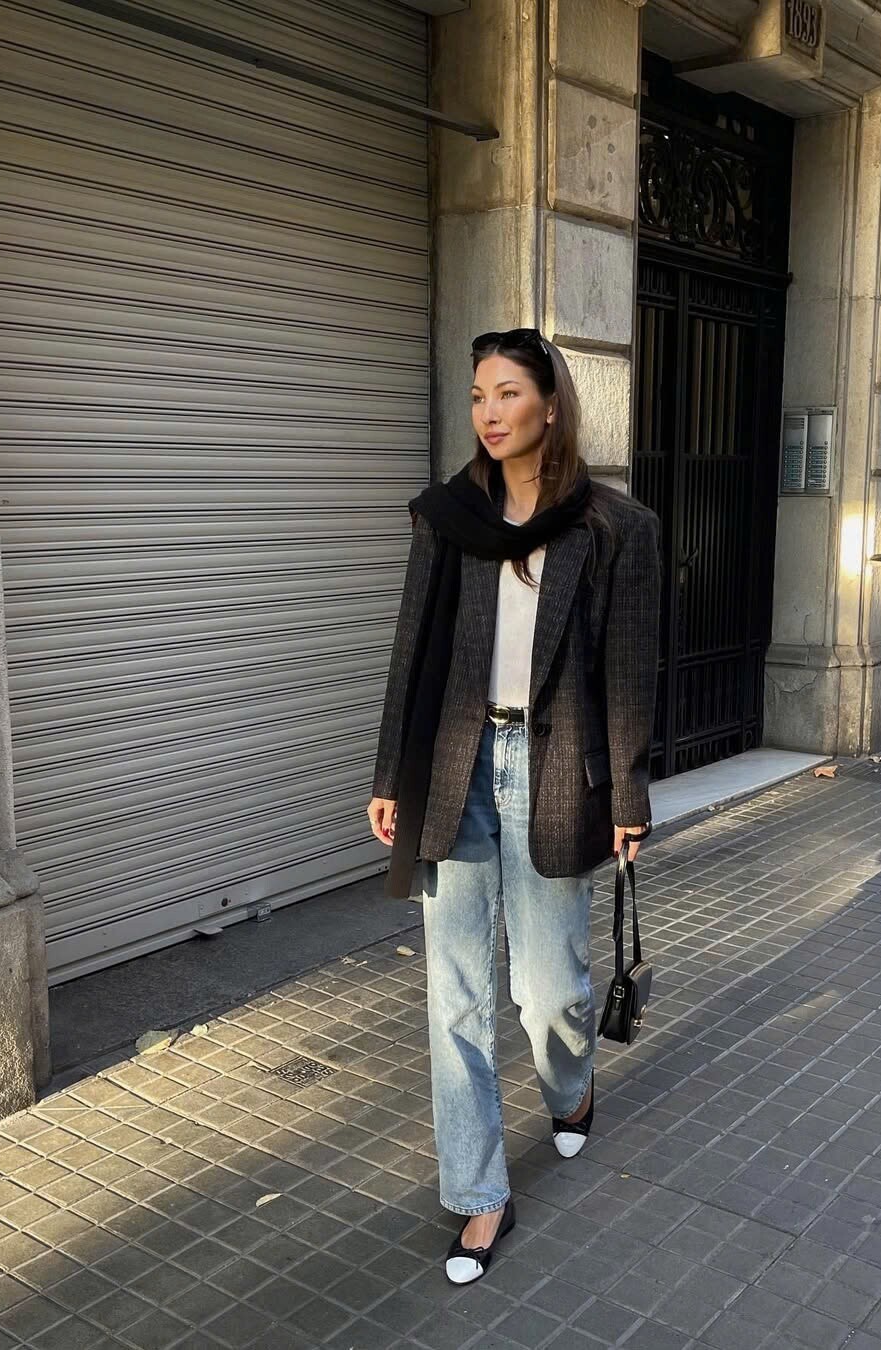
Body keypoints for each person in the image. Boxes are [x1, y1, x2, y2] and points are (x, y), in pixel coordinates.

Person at [367, 328, 660, 1284]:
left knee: (549, 992)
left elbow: (629, 671)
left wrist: (628, 792)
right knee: (455, 995)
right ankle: (478, 1193)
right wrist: (389, 775)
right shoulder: (449, 517)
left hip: (555, 767)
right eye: (478, 396)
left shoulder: (613, 528)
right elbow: (411, 649)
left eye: (507, 394)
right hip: (456, 767)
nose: (488, 414)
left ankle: (571, 1090)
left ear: (550, 404)